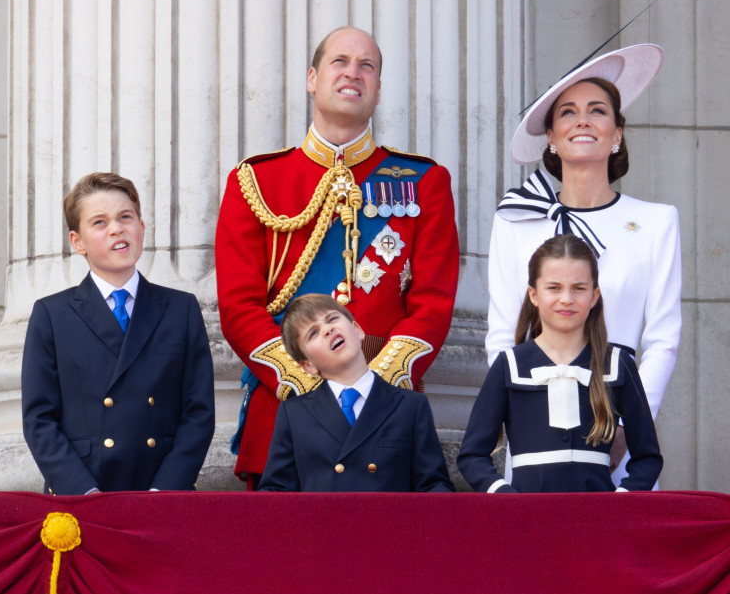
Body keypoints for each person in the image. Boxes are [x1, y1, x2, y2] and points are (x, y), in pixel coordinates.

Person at [216, 26, 458, 489]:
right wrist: (312, 388)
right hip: (286, 409)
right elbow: (237, 306)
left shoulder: (424, 181)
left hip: (387, 416)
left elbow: (433, 301)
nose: (353, 73)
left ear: (379, 89)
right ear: (312, 78)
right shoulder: (257, 180)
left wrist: (373, 387)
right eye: (340, 62)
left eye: (367, 65)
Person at [487, 44, 680, 486]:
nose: (583, 121)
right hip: (535, 408)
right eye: (568, 112)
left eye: (597, 111)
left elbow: (664, 339)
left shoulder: (656, 221)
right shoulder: (517, 219)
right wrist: (521, 415)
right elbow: (501, 333)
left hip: (621, 410)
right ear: (551, 136)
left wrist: (631, 427)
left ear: (616, 134)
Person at [22, 172, 215, 494]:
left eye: (125, 217)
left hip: (162, 493)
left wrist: (164, 491)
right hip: (83, 495)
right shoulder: (52, 314)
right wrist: (83, 492)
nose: (116, 228)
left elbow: (198, 411)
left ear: (141, 227)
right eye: (99, 222)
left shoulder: (181, 309)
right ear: (77, 242)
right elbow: (39, 419)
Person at [459, 234, 662, 492]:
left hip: (599, 524)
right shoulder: (509, 365)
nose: (566, 298)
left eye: (578, 288)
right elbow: (472, 456)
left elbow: (648, 458)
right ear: (533, 294)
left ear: (594, 295)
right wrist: (505, 497)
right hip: (527, 523)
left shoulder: (618, 364)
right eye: (554, 287)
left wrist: (619, 502)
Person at [259, 294, 453, 492]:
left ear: (357, 329)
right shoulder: (294, 414)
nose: (327, 329)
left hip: (389, 522)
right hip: (321, 523)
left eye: (332, 319)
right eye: (313, 333)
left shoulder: (410, 405)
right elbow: (276, 494)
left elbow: (434, 486)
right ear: (308, 366)